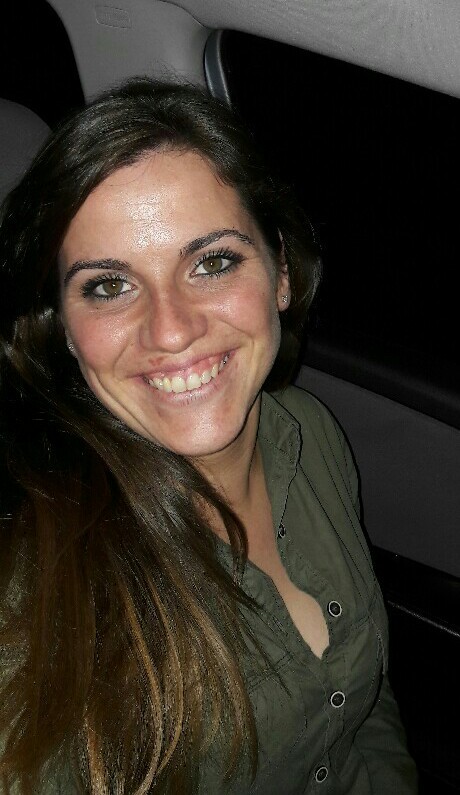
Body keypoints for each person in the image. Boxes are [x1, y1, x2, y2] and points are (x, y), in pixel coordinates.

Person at [0, 80, 417, 794]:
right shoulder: (40, 578)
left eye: (213, 262)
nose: (171, 330)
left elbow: (364, 705)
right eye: (108, 285)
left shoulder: (309, 433)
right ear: (63, 328)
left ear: (281, 273)